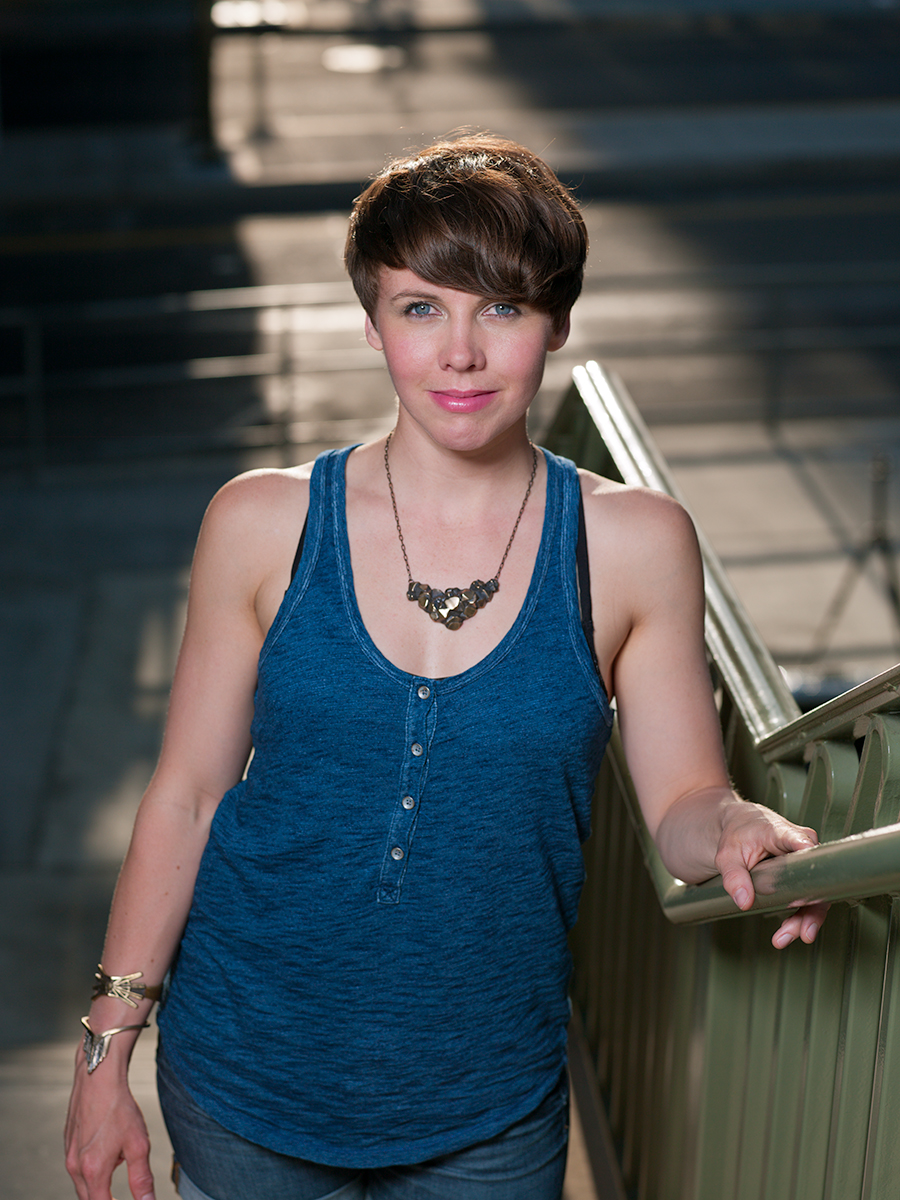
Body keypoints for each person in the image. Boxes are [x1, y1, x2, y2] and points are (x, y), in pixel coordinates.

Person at [64, 133, 828, 1200]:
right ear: (373, 322)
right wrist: (106, 1053)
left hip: (488, 1107)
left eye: (502, 308)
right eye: (422, 307)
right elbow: (188, 795)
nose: (460, 353)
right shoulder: (261, 522)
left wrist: (739, 823)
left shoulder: (634, 543)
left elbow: (683, 801)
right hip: (243, 1076)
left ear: (557, 322)